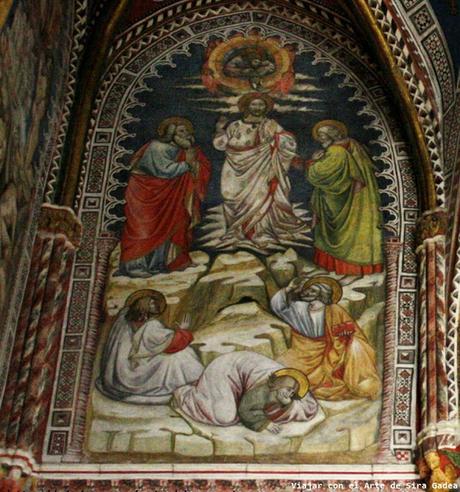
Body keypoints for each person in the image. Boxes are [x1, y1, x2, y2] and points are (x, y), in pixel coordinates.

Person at [213, 93, 307, 250]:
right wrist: (219, 129)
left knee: (260, 196)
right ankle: (235, 231)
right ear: (246, 106)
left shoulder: (270, 124)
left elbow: (287, 142)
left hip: (261, 167)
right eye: (254, 104)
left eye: (261, 105)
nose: (258, 108)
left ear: (266, 107)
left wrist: (278, 140)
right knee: (231, 197)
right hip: (234, 168)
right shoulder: (235, 125)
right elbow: (220, 145)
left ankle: (261, 233)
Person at [119, 117, 211, 277]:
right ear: (170, 132)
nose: (186, 134)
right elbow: (164, 170)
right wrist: (188, 164)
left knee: (172, 224)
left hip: (172, 196)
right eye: (181, 131)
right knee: (145, 229)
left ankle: (159, 263)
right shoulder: (157, 147)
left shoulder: (187, 151)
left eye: (187, 131)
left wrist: (195, 164)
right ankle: (135, 265)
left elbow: (202, 168)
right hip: (146, 193)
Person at [271, 276, 381, 401]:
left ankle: (360, 380)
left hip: (331, 354)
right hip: (304, 352)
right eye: (308, 294)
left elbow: (352, 333)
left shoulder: (335, 310)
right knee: (281, 370)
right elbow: (278, 307)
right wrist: (289, 289)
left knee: (356, 345)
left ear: (323, 296)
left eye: (313, 295)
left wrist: (343, 341)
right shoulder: (300, 308)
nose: (308, 298)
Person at [96, 289, 204, 404]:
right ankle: (198, 383)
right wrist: (183, 330)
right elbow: (172, 343)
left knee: (178, 355)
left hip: (127, 366)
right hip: (134, 369)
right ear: (144, 303)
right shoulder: (151, 324)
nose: (156, 305)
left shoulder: (126, 318)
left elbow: (151, 345)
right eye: (152, 303)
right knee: (182, 354)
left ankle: (196, 382)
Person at [306, 120, 383, 275]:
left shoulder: (336, 151)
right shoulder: (348, 146)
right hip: (349, 197)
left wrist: (312, 162)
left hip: (342, 201)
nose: (319, 139)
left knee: (344, 235)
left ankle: (349, 271)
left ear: (331, 135)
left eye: (322, 135)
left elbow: (321, 174)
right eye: (319, 135)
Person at [174, 351, 318, 433]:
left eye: (292, 394)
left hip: (239, 372)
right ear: (279, 385)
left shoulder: (294, 387)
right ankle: (184, 395)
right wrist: (265, 423)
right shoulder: (266, 389)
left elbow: (309, 407)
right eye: (288, 391)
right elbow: (245, 409)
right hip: (224, 371)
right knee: (224, 416)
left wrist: (288, 404)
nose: (289, 395)